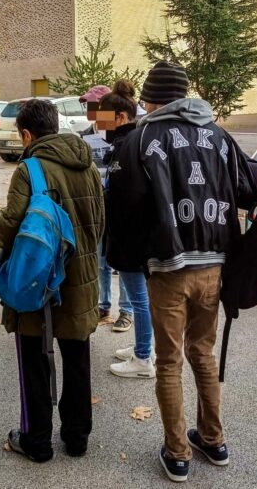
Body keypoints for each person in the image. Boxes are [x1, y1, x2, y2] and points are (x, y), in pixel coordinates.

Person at [108, 61, 257, 481]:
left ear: (151, 99)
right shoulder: (220, 135)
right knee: (203, 354)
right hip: (214, 265)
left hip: (168, 266)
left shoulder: (142, 138)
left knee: (169, 360)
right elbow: (249, 189)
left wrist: (131, 258)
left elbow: (125, 207)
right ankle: (213, 439)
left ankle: (177, 453)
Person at [0, 99, 104, 463]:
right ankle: (77, 437)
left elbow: (10, 227)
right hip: (81, 277)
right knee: (77, 359)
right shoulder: (87, 165)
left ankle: (36, 440)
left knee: (34, 360)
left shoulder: (30, 169)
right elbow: (99, 222)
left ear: (26, 134)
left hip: (38, 280)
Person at [97, 81, 154, 378]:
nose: (98, 124)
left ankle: (143, 358)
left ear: (120, 117)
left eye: (103, 118)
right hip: (130, 236)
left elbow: (130, 196)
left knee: (139, 299)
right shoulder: (126, 143)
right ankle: (143, 347)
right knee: (140, 296)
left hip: (133, 238)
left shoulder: (130, 145)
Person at [80, 85, 133, 331]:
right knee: (100, 260)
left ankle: (127, 309)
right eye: (87, 106)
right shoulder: (85, 135)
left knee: (122, 261)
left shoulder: (123, 135)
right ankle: (103, 304)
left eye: (94, 106)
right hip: (97, 205)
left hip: (119, 205)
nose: (90, 111)